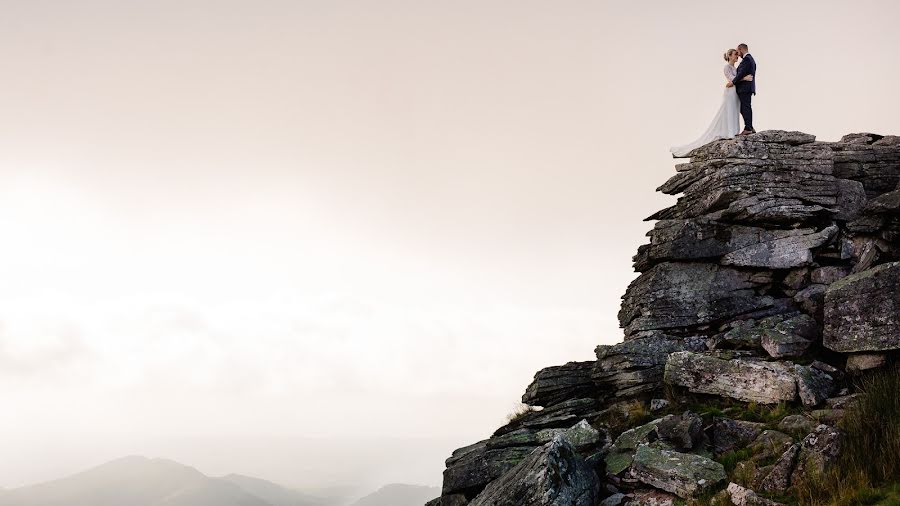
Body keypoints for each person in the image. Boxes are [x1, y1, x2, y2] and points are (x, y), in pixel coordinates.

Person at [670, 49, 754, 157]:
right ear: (729, 56)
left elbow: (735, 79)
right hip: (730, 92)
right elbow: (732, 79)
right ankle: (729, 132)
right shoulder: (727, 67)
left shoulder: (735, 68)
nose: (737, 56)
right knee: (728, 110)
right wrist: (744, 78)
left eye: (738, 54)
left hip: (735, 92)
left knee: (734, 110)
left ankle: (733, 130)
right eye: (735, 54)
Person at [727, 43, 757, 135]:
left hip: (744, 88)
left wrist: (733, 82)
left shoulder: (747, 60)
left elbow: (740, 74)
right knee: (743, 108)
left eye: (738, 52)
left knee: (745, 107)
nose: (738, 54)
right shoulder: (750, 59)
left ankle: (748, 128)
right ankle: (749, 126)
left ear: (741, 49)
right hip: (745, 88)